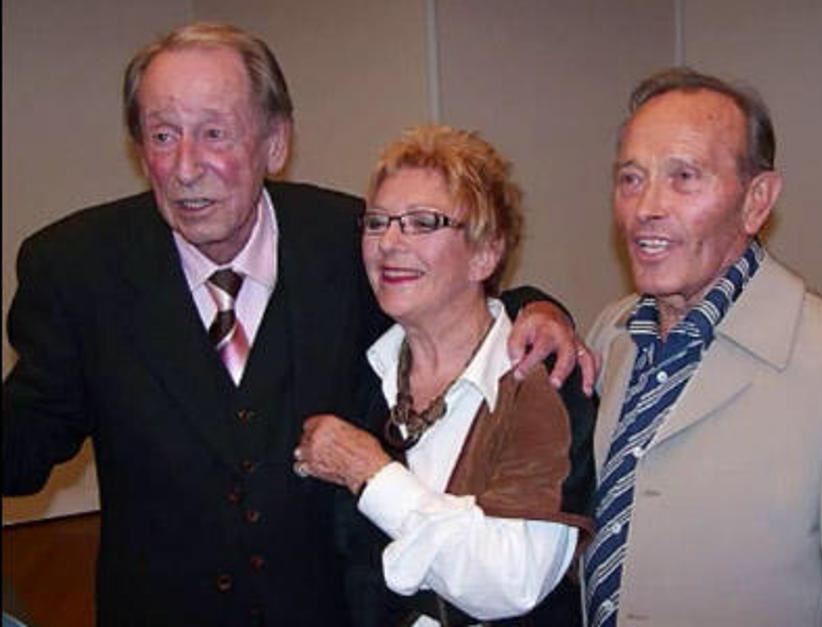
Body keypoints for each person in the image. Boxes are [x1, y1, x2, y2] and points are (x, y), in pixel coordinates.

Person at [1, 23, 594, 627]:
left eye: (214, 133)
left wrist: (542, 312)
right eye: (162, 135)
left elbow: (455, 289)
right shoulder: (77, 268)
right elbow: (26, 437)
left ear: (276, 142)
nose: (185, 167)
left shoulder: (347, 240)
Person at [581, 67, 822, 627]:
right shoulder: (613, 334)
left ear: (757, 201)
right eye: (631, 178)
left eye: (683, 177)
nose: (645, 206)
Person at [293, 125, 596, 626]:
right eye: (377, 222)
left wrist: (370, 473)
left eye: (422, 222)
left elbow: (512, 581)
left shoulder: (539, 380)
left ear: (485, 253)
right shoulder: (359, 376)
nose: (389, 242)